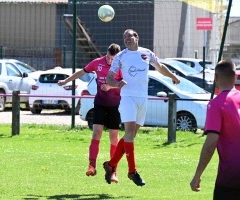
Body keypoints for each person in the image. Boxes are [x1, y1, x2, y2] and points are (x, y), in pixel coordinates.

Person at [103, 29, 180, 186]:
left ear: (137, 37)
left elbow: (159, 66)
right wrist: (117, 84)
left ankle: (110, 165)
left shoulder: (147, 53)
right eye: (124, 37)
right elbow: (109, 78)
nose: (126, 39)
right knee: (130, 132)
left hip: (142, 99)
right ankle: (132, 172)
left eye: (129, 36)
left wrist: (172, 76)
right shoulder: (120, 56)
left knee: (131, 135)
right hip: (128, 98)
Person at [57, 43, 122, 179]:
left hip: (115, 106)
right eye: (109, 58)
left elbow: (125, 85)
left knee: (114, 137)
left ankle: (113, 170)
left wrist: (111, 87)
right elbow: (82, 72)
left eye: (113, 59)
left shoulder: (121, 66)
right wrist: (66, 80)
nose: (111, 61)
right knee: (96, 133)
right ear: (106, 54)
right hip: (100, 103)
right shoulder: (97, 63)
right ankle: (92, 166)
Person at [190, 60, 240, 199]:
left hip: (231, 177)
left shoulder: (216, 104)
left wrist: (197, 175)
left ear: (216, 78)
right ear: (235, 76)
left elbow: (211, 143)